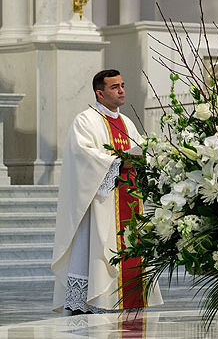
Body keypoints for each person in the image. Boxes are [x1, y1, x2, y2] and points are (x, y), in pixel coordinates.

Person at [52, 70, 162, 313]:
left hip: (129, 197)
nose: (121, 90)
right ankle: (96, 299)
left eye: (122, 85)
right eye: (115, 87)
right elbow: (83, 157)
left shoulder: (127, 123)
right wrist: (118, 163)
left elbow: (140, 151)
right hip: (100, 202)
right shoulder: (85, 120)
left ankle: (129, 297)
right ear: (99, 93)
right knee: (97, 248)